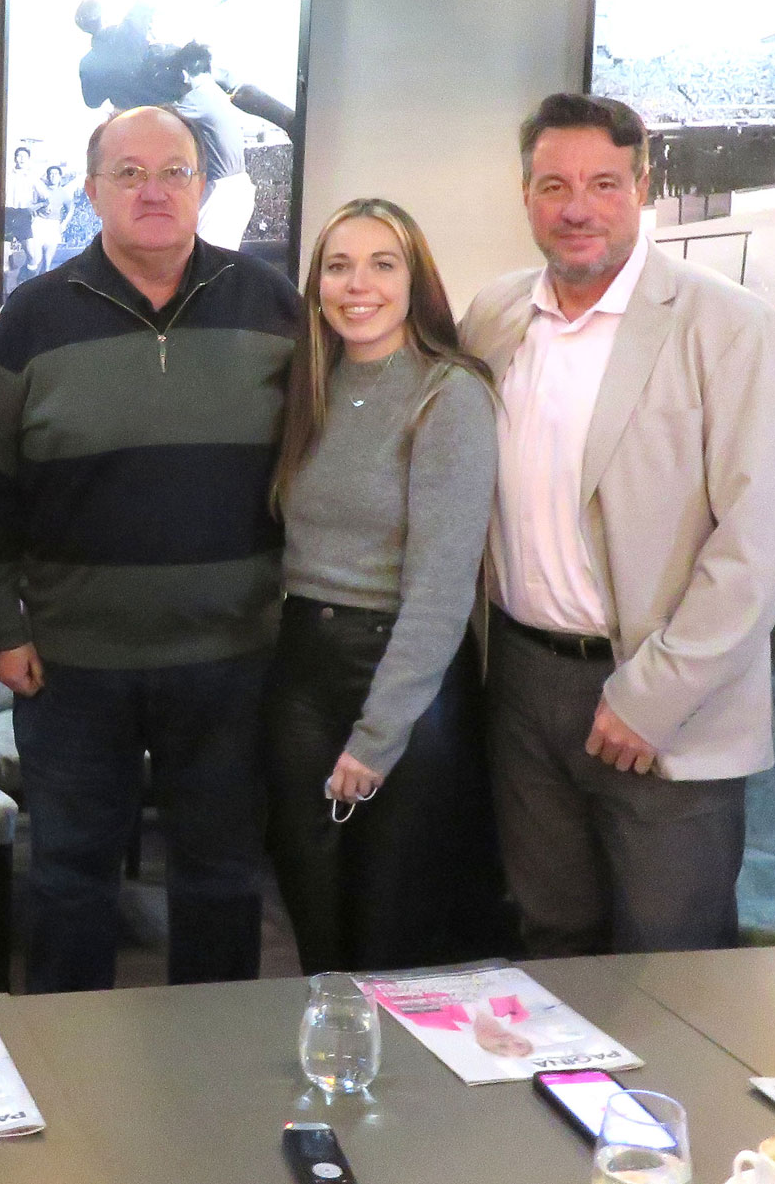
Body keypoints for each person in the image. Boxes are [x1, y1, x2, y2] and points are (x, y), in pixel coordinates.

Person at [460, 93, 775, 957]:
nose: (578, 207)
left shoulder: (730, 326)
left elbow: (759, 543)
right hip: (523, 684)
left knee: (671, 958)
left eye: (604, 183)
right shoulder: (494, 318)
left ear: (642, 188)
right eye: (555, 184)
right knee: (551, 940)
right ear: (526, 195)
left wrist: (651, 698)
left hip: (664, 697)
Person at [0, 104, 302, 992]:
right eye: (129, 172)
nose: (153, 191)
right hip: (74, 663)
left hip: (232, 656)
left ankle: (205, 1072)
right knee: (72, 880)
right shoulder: (33, 318)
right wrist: (2, 627)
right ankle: (77, 1075)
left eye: (175, 171)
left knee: (224, 877)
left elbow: (310, 476)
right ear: (91, 190)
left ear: (204, 186)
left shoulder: (275, 305)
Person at [261, 198, 501, 975]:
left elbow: (440, 586)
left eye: (381, 264)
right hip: (302, 672)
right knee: (316, 923)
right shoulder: (311, 386)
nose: (357, 284)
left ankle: (393, 1092)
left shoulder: (449, 392)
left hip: (404, 683)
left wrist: (378, 733)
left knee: (389, 935)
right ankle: (325, 1083)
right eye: (338, 265)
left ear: (415, 280)